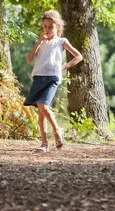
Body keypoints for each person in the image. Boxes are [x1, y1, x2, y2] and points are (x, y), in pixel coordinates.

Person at [24, 10, 83, 153]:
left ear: (57, 26)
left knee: (43, 106)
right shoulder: (41, 42)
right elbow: (29, 59)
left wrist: (65, 66)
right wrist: (38, 42)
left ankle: (57, 130)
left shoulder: (62, 42)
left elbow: (78, 56)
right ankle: (44, 144)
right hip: (38, 76)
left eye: (50, 26)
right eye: (45, 26)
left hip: (52, 77)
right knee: (41, 113)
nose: (47, 29)